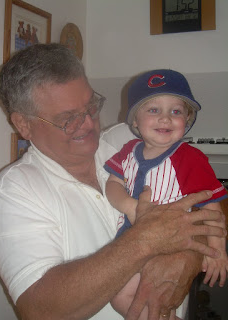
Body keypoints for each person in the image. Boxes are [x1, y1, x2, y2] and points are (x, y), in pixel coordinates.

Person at [0, 44, 226, 320]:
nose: (89, 124)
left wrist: (189, 255)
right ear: (24, 124)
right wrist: (145, 241)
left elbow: (210, 198)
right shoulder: (13, 192)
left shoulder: (129, 141)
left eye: (91, 106)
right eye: (68, 119)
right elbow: (40, 310)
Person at [104, 69, 228, 319]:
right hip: (130, 244)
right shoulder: (128, 150)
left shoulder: (189, 159)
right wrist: (130, 206)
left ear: (187, 120)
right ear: (135, 121)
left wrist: (217, 249)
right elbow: (112, 184)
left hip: (170, 245)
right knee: (122, 297)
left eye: (176, 111)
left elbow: (211, 206)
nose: (165, 119)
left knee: (143, 298)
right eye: (153, 110)